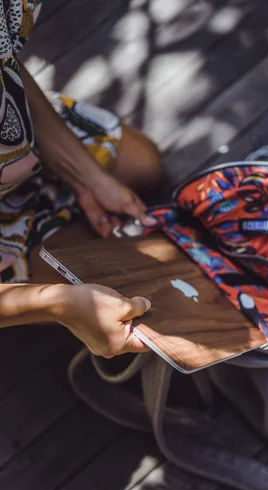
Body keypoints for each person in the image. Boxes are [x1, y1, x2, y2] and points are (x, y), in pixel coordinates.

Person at [0, 1, 163, 357]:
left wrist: (87, 177)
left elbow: (4, 64)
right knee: (113, 282)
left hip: (12, 138)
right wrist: (56, 303)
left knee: (144, 166)